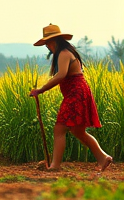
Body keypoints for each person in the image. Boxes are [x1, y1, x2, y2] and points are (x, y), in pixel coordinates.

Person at [29, 24, 113, 172]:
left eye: (47, 43)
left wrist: (41, 90)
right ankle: (102, 157)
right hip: (77, 92)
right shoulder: (64, 53)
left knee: (59, 129)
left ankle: (55, 166)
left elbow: (61, 75)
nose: (47, 46)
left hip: (76, 94)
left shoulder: (64, 53)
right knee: (78, 131)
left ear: (54, 41)